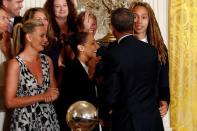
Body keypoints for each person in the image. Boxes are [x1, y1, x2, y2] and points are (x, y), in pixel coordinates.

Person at [100, 8, 164, 131]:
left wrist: (103, 113)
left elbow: (112, 94)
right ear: (132, 25)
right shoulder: (151, 51)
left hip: (128, 122)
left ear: (112, 28)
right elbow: (154, 84)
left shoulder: (113, 54)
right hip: (152, 120)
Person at [5, 19, 60, 130]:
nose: (46, 40)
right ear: (29, 37)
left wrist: (53, 95)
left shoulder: (47, 60)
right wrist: (42, 96)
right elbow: (9, 102)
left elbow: (54, 91)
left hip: (48, 121)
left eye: (46, 36)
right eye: (42, 36)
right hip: (25, 123)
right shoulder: (15, 64)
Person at [129, 1, 170, 118]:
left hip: (151, 112)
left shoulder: (160, 49)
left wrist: (165, 101)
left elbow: (164, 83)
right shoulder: (121, 48)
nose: (139, 21)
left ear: (149, 20)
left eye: (144, 17)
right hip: (129, 114)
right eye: (134, 17)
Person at [56, 32, 99, 131]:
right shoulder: (72, 69)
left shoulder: (91, 66)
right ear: (81, 48)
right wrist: (91, 74)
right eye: (92, 43)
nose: (97, 46)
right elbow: (80, 100)